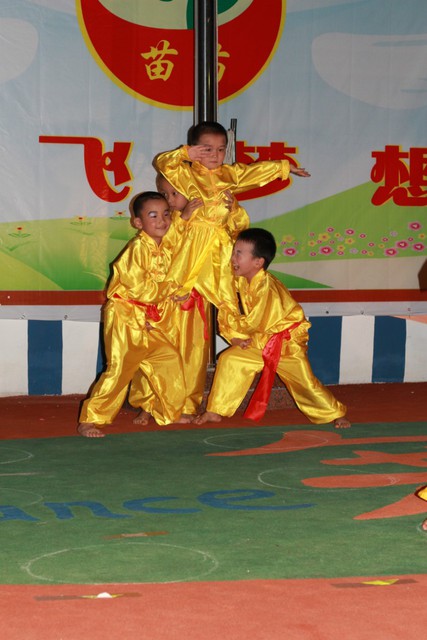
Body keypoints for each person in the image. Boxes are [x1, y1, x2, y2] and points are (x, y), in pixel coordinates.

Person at [195, 228, 350, 429]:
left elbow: (255, 322)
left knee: (305, 383)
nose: (232, 257)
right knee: (230, 359)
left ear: (258, 262)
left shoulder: (267, 288)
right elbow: (230, 309)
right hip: (261, 341)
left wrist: (241, 335)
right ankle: (215, 410)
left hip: (285, 343)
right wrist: (234, 338)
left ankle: (336, 414)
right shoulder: (242, 281)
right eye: (234, 252)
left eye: (238, 253)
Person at [154, 121, 310, 321]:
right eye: (207, 149)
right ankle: (158, 323)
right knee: (176, 286)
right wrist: (184, 154)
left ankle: (238, 332)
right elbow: (163, 163)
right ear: (194, 149)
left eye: (220, 149)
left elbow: (253, 172)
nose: (215, 155)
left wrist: (283, 168)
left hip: (219, 242)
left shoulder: (229, 175)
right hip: (192, 240)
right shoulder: (186, 174)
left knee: (226, 293)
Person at [77, 191, 186, 438]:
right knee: (121, 368)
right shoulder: (137, 248)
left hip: (150, 316)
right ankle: (90, 419)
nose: (162, 221)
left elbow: (172, 280)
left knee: (166, 358)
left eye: (166, 214)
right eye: (153, 215)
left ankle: (164, 410)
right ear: (138, 223)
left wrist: (181, 293)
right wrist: (172, 290)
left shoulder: (166, 248)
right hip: (126, 315)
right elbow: (142, 289)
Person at [128, 175, 210, 423]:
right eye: (164, 193)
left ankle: (185, 406)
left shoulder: (205, 217)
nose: (169, 200)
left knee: (192, 355)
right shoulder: (165, 222)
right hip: (163, 301)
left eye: (175, 193)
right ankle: (150, 404)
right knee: (156, 354)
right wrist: (182, 220)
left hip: (192, 298)